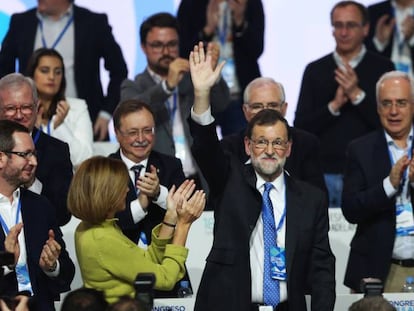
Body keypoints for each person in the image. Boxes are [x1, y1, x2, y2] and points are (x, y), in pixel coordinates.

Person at [189, 42, 335, 311]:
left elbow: (322, 266)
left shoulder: (310, 199)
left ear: (288, 148)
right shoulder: (228, 179)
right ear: (247, 146)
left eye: (278, 143)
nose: (269, 151)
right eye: (261, 143)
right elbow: (205, 146)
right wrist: (201, 93)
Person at [294, 0, 395, 207]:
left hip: (370, 171)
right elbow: (300, 126)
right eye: (338, 25)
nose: (344, 32)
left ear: (365, 28)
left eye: (351, 25)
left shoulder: (383, 68)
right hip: (323, 173)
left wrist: (357, 95)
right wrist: (334, 106)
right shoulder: (315, 70)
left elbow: (392, 123)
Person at [67, 156, 205, 304]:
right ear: (105, 192)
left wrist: (171, 216)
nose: (127, 190)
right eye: (121, 186)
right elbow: (166, 278)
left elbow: (145, 263)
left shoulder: (94, 227)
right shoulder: (101, 239)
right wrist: (183, 225)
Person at [120, 12, 229, 189]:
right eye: (157, 45)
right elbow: (130, 113)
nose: (165, 52)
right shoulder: (134, 85)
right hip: (159, 180)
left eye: (171, 44)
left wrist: (211, 74)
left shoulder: (193, 79)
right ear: (143, 47)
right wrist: (167, 86)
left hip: (200, 177)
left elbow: (222, 104)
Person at [0, 0, 128, 141]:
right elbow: (4, 71)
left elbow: (119, 71)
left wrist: (106, 113)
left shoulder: (94, 23)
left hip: (83, 121)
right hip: (28, 120)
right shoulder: (21, 22)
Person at [109, 99, 190, 298]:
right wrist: (141, 205)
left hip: (165, 268)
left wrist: (158, 194)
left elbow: (185, 212)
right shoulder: (106, 170)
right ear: (118, 134)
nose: (141, 138)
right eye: (133, 132)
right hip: (121, 273)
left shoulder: (171, 166)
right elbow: (111, 223)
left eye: (147, 130)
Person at [342, 71, 414, 293]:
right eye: (386, 103)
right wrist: (389, 186)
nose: (393, 111)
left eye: (401, 103)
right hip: (379, 270)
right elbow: (351, 210)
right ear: (377, 108)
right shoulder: (360, 149)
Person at [0, 119, 75, 310]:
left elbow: (67, 271)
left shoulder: (40, 205)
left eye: (33, 154)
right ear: (1, 159)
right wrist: (7, 262)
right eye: (25, 154)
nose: (34, 162)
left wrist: (52, 267)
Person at [220, 77, 327, 193]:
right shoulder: (228, 147)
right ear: (245, 111)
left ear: (284, 109)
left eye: (272, 105)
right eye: (257, 106)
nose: (265, 112)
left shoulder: (306, 143)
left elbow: (318, 197)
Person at [177, 0, 264, 136]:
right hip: (202, 95)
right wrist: (207, 30)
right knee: (201, 148)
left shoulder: (249, 3)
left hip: (238, 95)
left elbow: (257, 49)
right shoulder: (191, 4)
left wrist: (240, 21)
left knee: (241, 150)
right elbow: (182, 52)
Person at [0, 73, 73, 226]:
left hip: (41, 242)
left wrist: (32, 183)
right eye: (11, 108)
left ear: (37, 107)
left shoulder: (57, 151)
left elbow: (62, 215)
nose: (19, 115)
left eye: (26, 107)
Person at [26, 48, 93, 168]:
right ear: (32, 74)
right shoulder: (21, 109)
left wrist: (60, 126)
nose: (52, 77)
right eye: (45, 71)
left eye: (58, 72)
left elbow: (84, 158)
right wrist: (35, 129)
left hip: (65, 181)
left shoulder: (78, 107)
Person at [366, 0, 414, 77]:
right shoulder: (375, 11)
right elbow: (363, 55)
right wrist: (380, 43)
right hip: (385, 80)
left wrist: (412, 39)